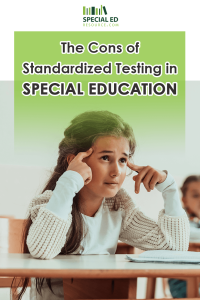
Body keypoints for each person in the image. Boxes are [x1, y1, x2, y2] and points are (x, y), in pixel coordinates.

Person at [13, 111, 189, 300]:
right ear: (74, 161)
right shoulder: (49, 203)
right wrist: (69, 181)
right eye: (105, 158)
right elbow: (42, 250)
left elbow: (174, 248)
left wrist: (169, 189)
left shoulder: (118, 206)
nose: (116, 171)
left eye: (123, 160)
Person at [168, 175, 200, 298]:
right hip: (184, 284)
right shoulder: (181, 221)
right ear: (185, 200)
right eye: (196, 196)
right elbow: (187, 233)